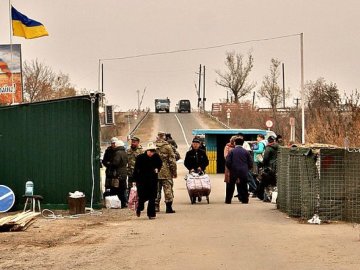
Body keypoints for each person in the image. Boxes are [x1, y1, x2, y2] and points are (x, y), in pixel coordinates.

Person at [133, 142, 163, 219]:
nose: (151, 153)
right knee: (142, 197)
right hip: (142, 180)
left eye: (153, 151)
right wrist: (134, 180)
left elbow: (160, 164)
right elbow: (136, 169)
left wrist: (157, 169)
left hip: (152, 180)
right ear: (147, 151)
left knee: (152, 197)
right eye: (150, 151)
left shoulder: (156, 157)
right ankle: (139, 208)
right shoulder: (140, 157)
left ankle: (151, 214)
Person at [102, 137, 128, 208]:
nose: (113, 145)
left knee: (117, 188)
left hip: (117, 173)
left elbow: (115, 163)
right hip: (121, 172)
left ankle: (118, 202)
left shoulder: (118, 153)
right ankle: (122, 202)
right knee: (121, 188)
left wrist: (110, 164)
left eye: (114, 143)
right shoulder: (124, 152)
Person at [155, 131, 178, 213]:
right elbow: (172, 161)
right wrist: (174, 172)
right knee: (167, 189)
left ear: (157, 136)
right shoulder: (168, 147)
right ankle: (168, 207)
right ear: (164, 137)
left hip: (155, 172)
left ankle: (156, 206)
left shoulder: (153, 146)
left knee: (156, 189)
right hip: (166, 172)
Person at [225, 137, 253, 204]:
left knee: (230, 186)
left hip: (233, 170)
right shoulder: (246, 152)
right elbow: (250, 162)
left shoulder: (232, 151)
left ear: (235, 143)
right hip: (244, 171)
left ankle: (228, 200)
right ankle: (245, 200)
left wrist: (230, 168)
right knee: (243, 185)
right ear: (242, 144)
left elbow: (228, 162)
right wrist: (247, 169)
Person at [184, 138, 209, 203]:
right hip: (192, 171)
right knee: (193, 184)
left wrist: (201, 167)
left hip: (201, 171)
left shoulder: (202, 152)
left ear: (199, 144)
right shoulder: (189, 153)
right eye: (194, 144)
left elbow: (206, 162)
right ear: (192, 144)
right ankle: (194, 196)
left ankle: (200, 195)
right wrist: (190, 168)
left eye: (196, 144)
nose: (195, 145)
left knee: (201, 184)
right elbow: (186, 163)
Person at [256, 136, 279, 201]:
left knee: (266, 182)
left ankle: (266, 197)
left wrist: (262, 163)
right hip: (277, 167)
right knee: (274, 183)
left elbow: (265, 158)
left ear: (268, 141)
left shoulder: (268, 148)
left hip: (269, 168)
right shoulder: (278, 147)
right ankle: (274, 197)